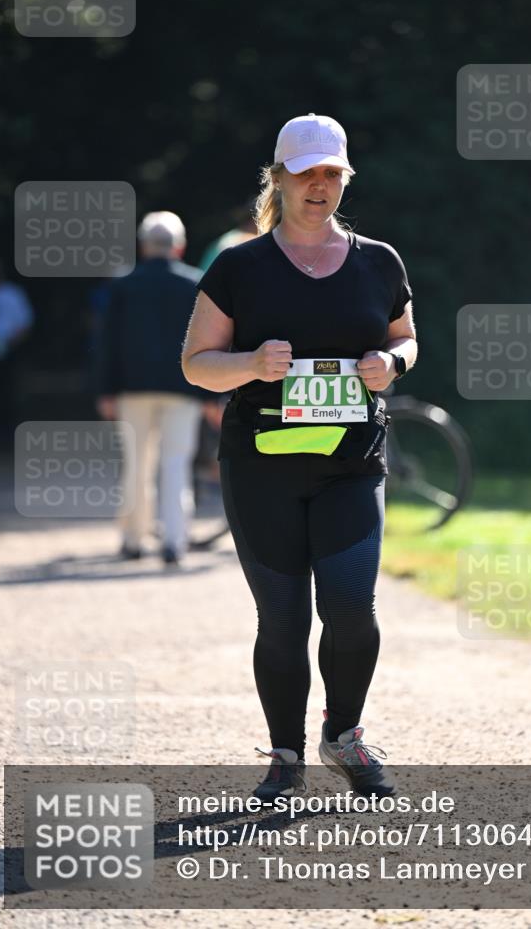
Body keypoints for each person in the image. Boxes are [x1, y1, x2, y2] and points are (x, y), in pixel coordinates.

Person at [182, 114, 417, 799]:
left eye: (330, 174)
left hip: (351, 461)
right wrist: (251, 363)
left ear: (344, 179)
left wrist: (391, 363)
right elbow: (198, 365)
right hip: (261, 469)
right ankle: (285, 755)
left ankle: (342, 735)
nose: (318, 186)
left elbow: (406, 337)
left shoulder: (379, 260)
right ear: (278, 178)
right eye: (305, 173)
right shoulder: (239, 266)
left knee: (351, 609)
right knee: (281, 618)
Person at [94, 212, 208, 566]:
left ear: (143, 246)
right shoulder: (196, 284)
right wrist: (210, 393)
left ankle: (133, 539)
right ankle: (174, 540)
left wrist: (105, 390)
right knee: (176, 463)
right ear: (180, 246)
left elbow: (106, 343)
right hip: (184, 388)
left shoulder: (122, 286)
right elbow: (209, 340)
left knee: (136, 464)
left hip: (133, 388)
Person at [0, 256, 34, 450]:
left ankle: (5, 432)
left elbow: (25, 323)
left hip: (8, 353)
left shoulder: (12, 294)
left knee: (5, 391)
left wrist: (11, 344)